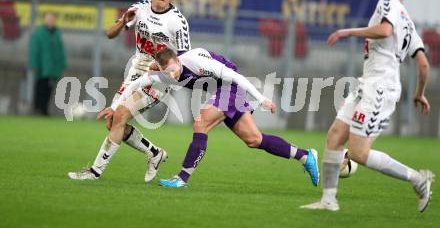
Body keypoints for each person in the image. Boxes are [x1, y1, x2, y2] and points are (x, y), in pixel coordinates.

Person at [300, 0, 435, 212]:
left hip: (380, 88)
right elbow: (423, 63)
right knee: (334, 137)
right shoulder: (410, 24)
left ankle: (418, 179)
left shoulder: (387, 3)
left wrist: (347, 32)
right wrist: (420, 92)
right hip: (369, 84)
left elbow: (384, 31)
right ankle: (328, 201)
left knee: (358, 153)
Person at [101, 47, 320, 188]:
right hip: (221, 92)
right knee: (254, 140)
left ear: (178, 60)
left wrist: (261, 99)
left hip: (231, 86)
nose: (172, 76)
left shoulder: (196, 61)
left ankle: (182, 178)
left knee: (201, 123)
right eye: (166, 73)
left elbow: (235, 76)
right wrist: (114, 106)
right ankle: (304, 155)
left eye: (173, 70)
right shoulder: (164, 73)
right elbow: (137, 84)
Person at [68, 0, 191, 183]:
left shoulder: (178, 22)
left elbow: (184, 59)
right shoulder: (138, 9)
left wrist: (167, 71)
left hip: (158, 78)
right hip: (135, 71)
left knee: (121, 114)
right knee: (114, 122)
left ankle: (94, 172)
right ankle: (154, 153)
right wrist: (123, 21)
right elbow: (110, 33)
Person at [29, 11, 67, 116]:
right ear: (44, 20)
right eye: (48, 18)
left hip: (53, 68)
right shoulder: (39, 34)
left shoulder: (56, 34)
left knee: (49, 90)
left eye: (52, 19)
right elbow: (34, 51)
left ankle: (44, 110)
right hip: (42, 68)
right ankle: (37, 109)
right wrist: (34, 65)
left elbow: (61, 51)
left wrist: (63, 64)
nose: (50, 21)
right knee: (40, 88)